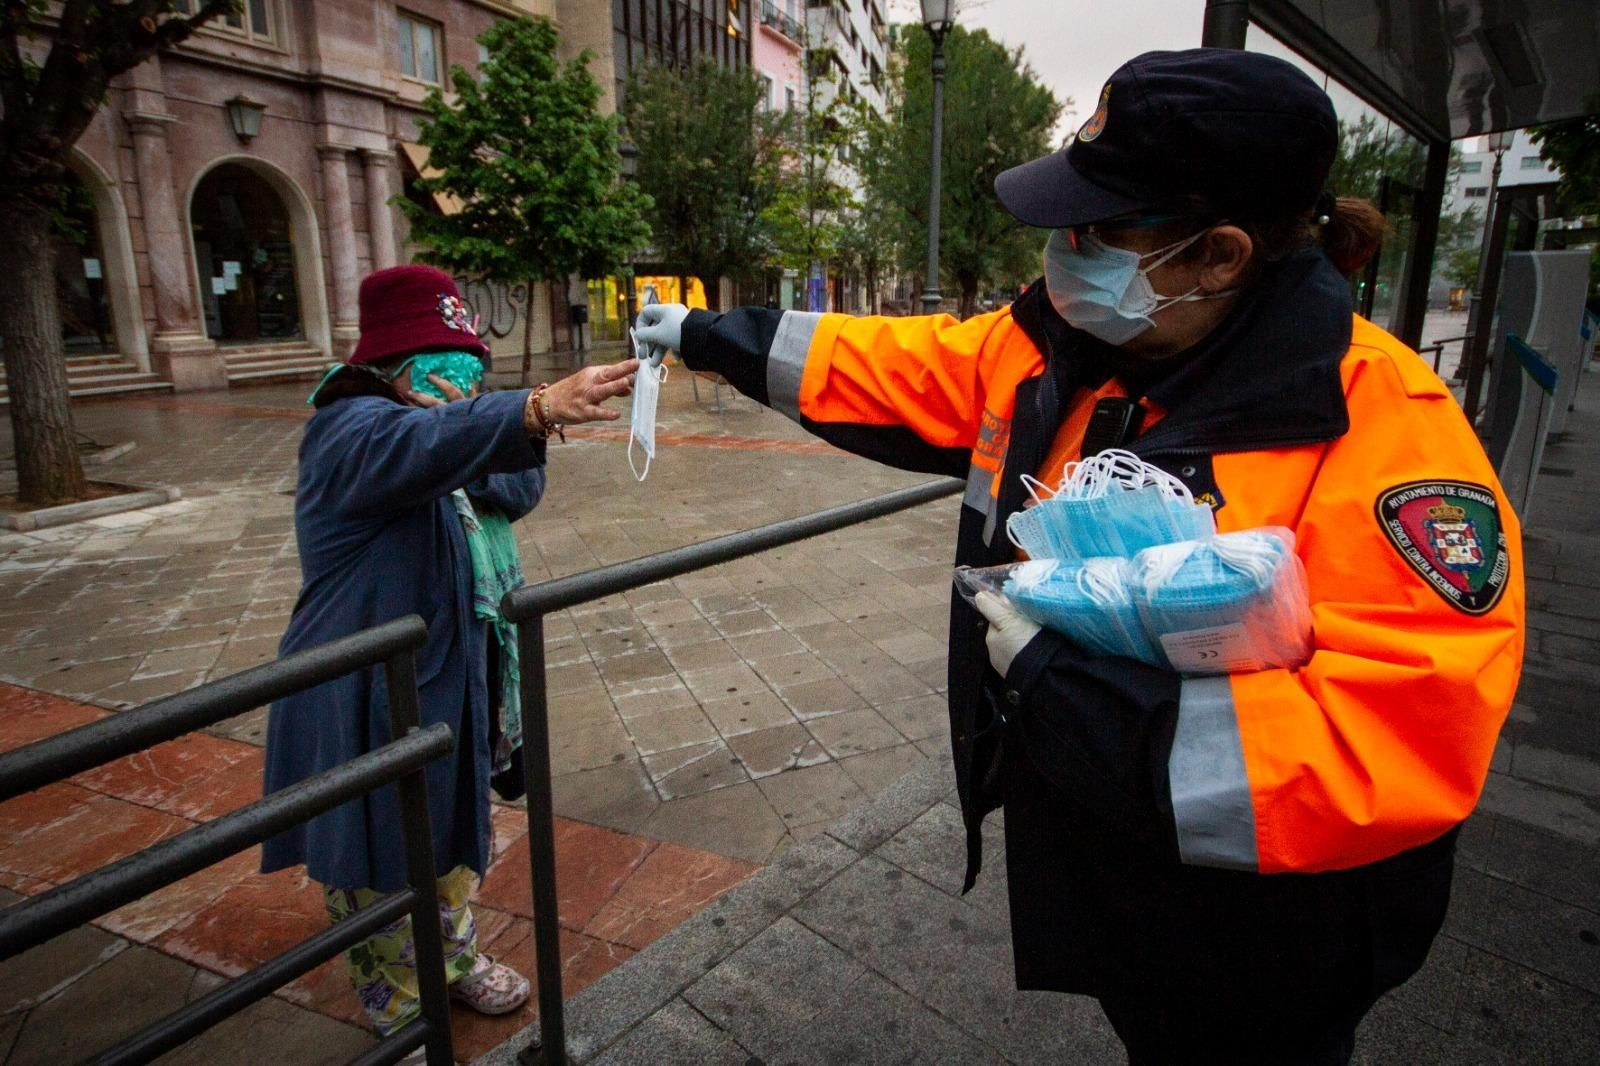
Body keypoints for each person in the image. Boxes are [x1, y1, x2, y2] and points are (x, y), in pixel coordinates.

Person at [634, 49, 1525, 1065]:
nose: (1065, 249)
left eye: (1100, 229)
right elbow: (898, 364)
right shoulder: (1071, 343)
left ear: (1218, 254)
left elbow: (1389, 740)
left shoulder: (1380, 428)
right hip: (1127, 877)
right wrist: (710, 335)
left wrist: (1060, 687)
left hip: (1268, 942)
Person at [261, 265, 638, 1043]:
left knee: (452, 829)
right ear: (394, 370)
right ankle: (399, 1009)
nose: (461, 392)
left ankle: (455, 959)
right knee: (378, 846)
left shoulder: (440, 433)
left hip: (451, 674)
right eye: (445, 374)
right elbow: (424, 443)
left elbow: (511, 485)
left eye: (473, 377)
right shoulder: (350, 430)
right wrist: (526, 408)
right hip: (366, 688)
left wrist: (510, 424)